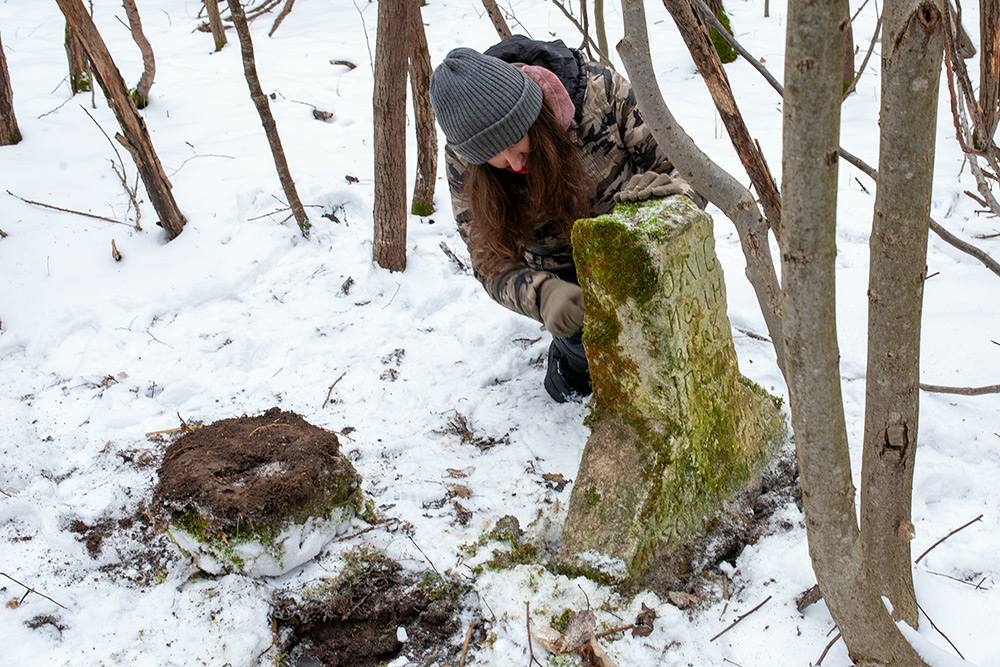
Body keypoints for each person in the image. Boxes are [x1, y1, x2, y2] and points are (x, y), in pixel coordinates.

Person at [429, 36, 703, 403]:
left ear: (532, 115)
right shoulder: (465, 157)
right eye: (493, 157)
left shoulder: (601, 93)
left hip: (634, 241)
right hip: (562, 277)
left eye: (515, 142)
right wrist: (541, 294)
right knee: (589, 369)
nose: (512, 163)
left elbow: (692, 173)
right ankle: (571, 362)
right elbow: (488, 258)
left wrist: (668, 196)